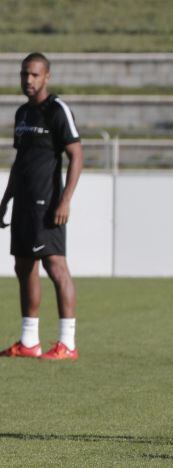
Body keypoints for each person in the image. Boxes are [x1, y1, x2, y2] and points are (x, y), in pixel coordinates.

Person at [0, 52, 83, 360]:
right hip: (22, 202)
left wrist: (65, 200)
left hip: (46, 203)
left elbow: (77, 154)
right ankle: (29, 341)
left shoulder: (56, 110)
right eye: (24, 74)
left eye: (34, 75)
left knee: (55, 266)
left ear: (47, 76)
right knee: (23, 266)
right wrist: (5, 199)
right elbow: (20, 161)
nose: (28, 80)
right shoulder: (22, 114)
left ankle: (67, 343)